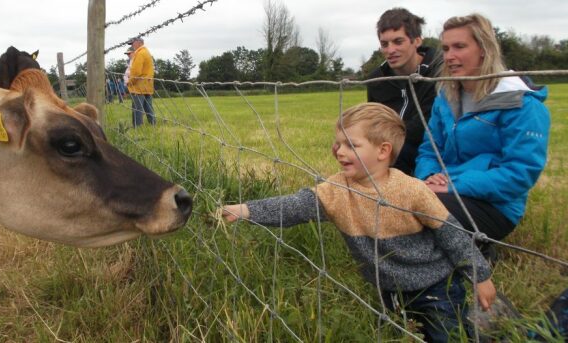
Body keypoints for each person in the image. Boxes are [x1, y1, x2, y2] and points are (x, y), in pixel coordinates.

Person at [220, 102, 496, 342]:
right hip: (387, 289)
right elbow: (294, 207)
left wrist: (480, 276)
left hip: (436, 287)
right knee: (401, 333)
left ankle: (491, 328)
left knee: (447, 335)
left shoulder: (412, 190)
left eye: (351, 145)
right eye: (338, 143)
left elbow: (452, 235)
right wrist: (246, 210)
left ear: (382, 150)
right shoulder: (336, 190)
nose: (339, 151)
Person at [415, 14, 550, 246]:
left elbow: (519, 173)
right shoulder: (445, 98)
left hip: (495, 205)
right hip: (441, 189)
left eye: (460, 46)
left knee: (416, 212)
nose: (449, 56)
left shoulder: (521, 103)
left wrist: (452, 185)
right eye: (446, 48)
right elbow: (430, 149)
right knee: (394, 203)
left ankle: (478, 253)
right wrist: (428, 176)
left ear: (484, 49)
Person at [367, 8, 441, 176]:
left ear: (417, 40)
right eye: (384, 44)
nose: (390, 50)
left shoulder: (438, 71)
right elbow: (373, 122)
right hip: (388, 153)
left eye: (398, 41)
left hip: (430, 154)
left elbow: (427, 125)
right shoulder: (377, 80)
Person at [127, 37, 155, 127]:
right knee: (148, 107)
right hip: (148, 84)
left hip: (138, 86)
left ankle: (137, 127)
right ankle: (153, 124)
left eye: (132, 43)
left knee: (137, 108)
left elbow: (136, 71)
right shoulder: (146, 52)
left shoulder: (139, 54)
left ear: (139, 43)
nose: (132, 46)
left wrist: (130, 81)